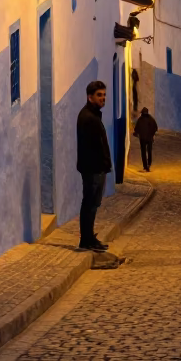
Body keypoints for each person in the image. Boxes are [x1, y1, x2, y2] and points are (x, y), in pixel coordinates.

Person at [76, 80, 112, 252]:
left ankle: (89, 237)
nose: (102, 98)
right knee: (89, 203)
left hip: (97, 168)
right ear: (90, 97)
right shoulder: (88, 118)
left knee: (93, 204)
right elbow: (91, 146)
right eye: (99, 95)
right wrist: (101, 164)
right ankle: (86, 239)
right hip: (93, 169)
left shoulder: (94, 115)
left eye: (104, 95)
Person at [133, 106, 158, 172]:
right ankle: (149, 164)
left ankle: (145, 166)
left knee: (143, 152)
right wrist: (152, 134)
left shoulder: (140, 119)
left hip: (142, 139)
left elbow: (136, 129)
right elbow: (155, 127)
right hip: (149, 138)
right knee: (149, 151)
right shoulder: (151, 119)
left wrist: (137, 134)